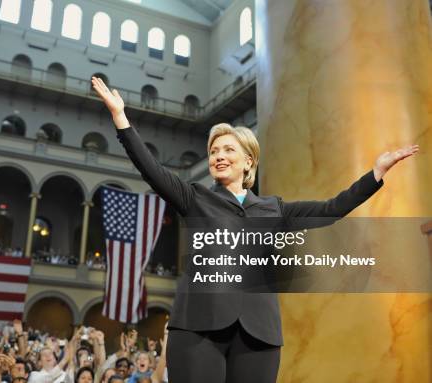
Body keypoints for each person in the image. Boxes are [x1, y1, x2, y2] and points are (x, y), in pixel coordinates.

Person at [91, 76, 419, 383]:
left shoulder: (274, 209)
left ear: (248, 161)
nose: (218, 156)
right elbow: (151, 170)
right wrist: (121, 118)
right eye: (214, 151)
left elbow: (331, 209)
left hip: (258, 334)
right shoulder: (194, 197)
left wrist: (375, 174)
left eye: (228, 150)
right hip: (197, 330)